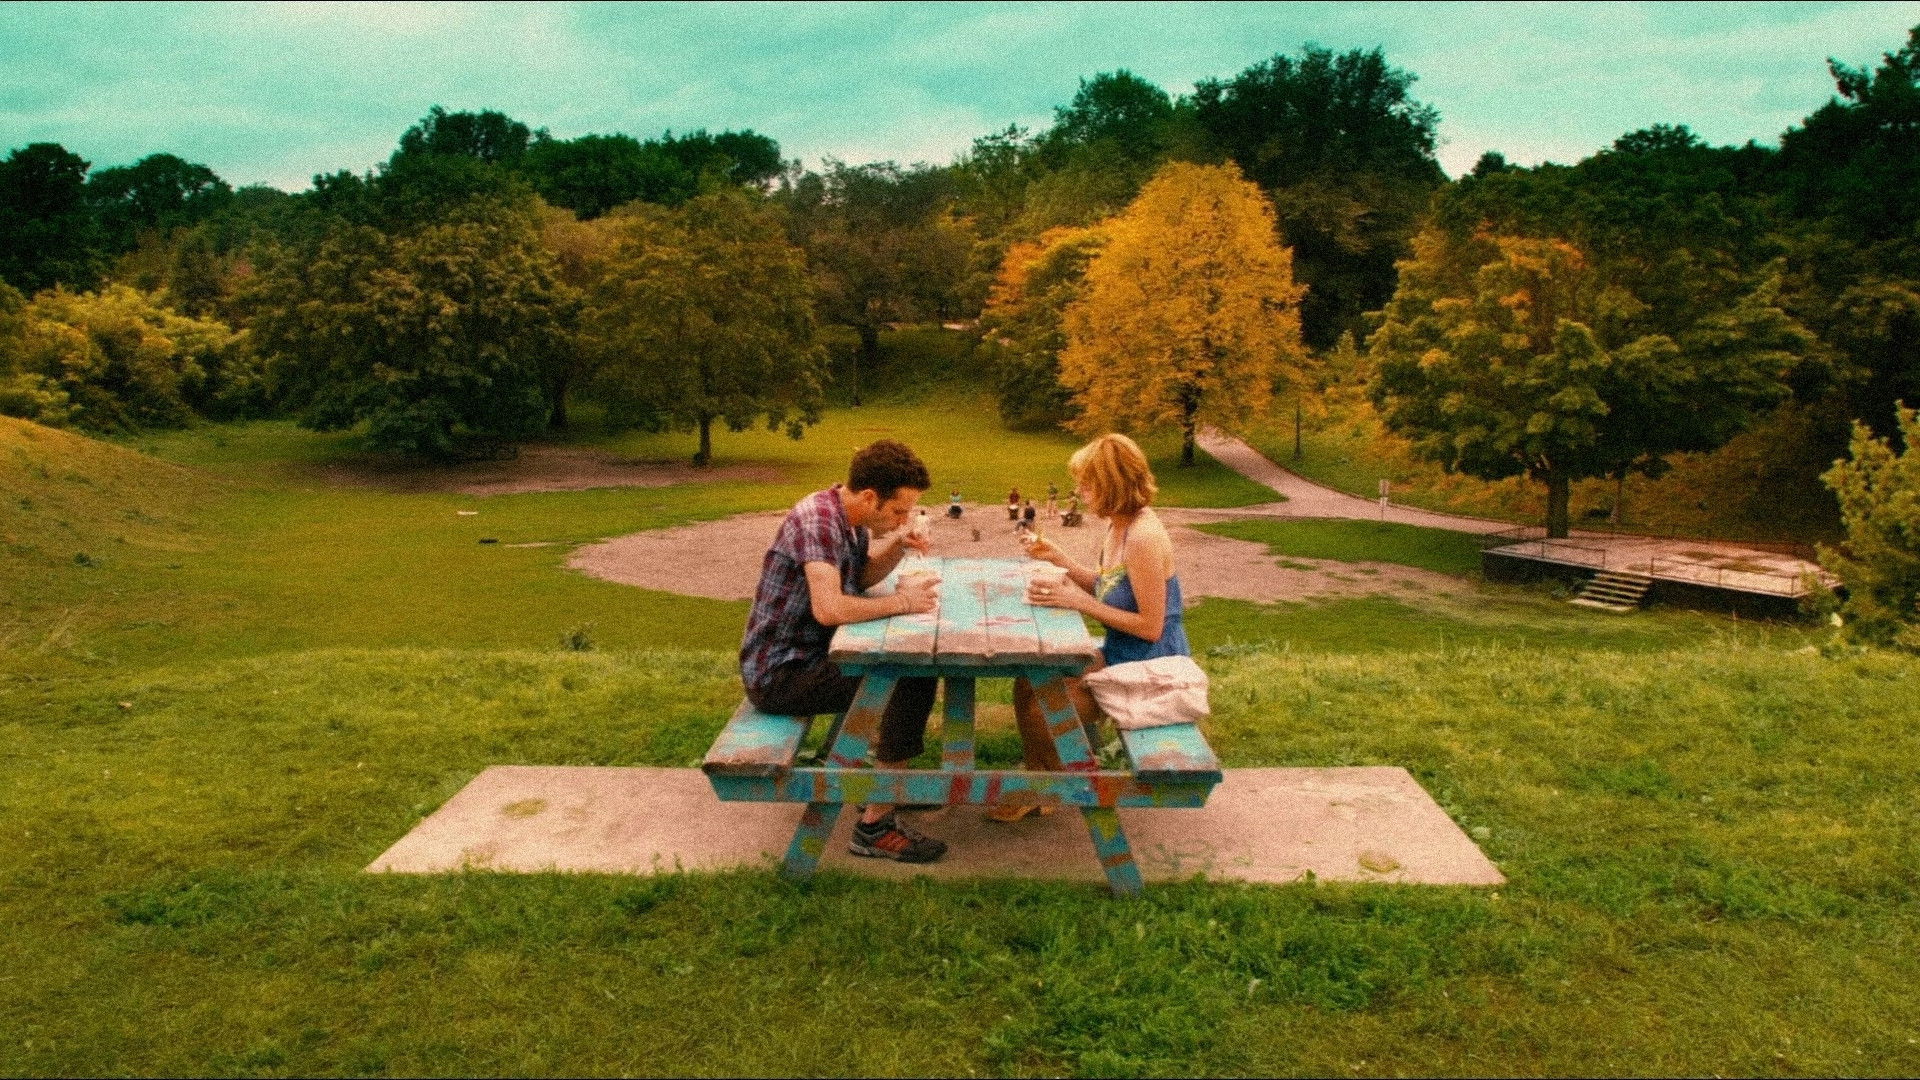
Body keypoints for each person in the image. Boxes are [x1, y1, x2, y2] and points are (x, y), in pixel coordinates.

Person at [740, 440, 949, 862]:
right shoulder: (817, 522)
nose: (903, 519)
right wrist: (903, 602)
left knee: (910, 672)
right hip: (781, 674)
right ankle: (875, 826)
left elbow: (860, 577)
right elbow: (830, 608)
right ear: (870, 497)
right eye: (899, 511)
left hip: (813, 657)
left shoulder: (846, 515)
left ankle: (884, 790)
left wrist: (899, 545)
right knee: (909, 679)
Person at [992, 433, 1190, 822]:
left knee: (1044, 712)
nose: (1080, 492)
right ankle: (1041, 783)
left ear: (1111, 484)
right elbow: (1108, 588)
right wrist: (1061, 559)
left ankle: (1075, 790)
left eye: (1087, 484)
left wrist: (1078, 602)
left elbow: (1151, 627)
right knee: (1028, 679)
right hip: (1122, 654)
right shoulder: (1119, 526)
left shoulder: (1143, 537)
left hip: (1152, 669)